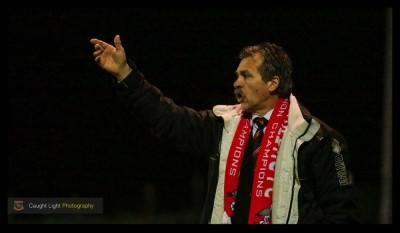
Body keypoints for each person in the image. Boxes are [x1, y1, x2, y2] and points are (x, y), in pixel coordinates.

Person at [89, 35, 360, 224]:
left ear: (273, 83)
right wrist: (125, 74)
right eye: (236, 76)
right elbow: (167, 119)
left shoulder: (318, 140)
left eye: (246, 75)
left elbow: (342, 216)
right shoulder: (223, 127)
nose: (236, 83)